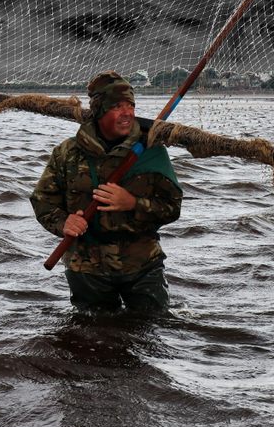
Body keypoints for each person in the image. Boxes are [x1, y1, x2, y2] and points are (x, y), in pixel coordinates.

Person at [30, 71, 182, 312]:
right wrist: (63, 223)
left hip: (142, 264)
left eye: (130, 105)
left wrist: (133, 203)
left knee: (153, 330)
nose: (127, 113)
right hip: (86, 267)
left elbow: (172, 208)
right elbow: (43, 201)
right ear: (100, 110)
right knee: (91, 338)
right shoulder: (67, 153)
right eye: (117, 106)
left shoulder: (152, 152)